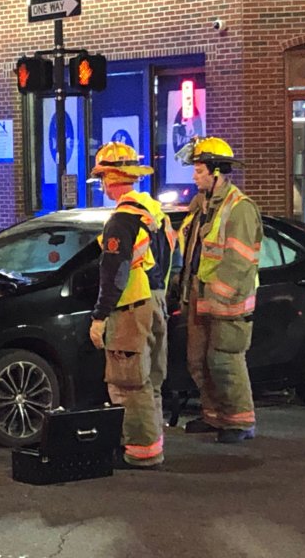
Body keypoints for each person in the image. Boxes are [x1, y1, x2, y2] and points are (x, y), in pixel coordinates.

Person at [88, 142, 176, 470]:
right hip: (155, 302)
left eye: (102, 178)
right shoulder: (153, 212)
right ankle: (151, 446)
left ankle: (140, 452)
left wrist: (99, 316)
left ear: (111, 177)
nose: (102, 185)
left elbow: (115, 272)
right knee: (149, 380)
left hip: (129, 307)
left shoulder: (120, 221)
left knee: (128, 383)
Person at [174, 136, 263, 444]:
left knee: (225, 361)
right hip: (201, 295)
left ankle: (240, 421)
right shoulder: (203, 206)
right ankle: (214, 416)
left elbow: (239, 262)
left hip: (228, 302)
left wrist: (218, 295)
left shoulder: (239, 209)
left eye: (198, 170)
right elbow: (193, 252)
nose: (194, 175)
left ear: (215, 172)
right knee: (198, 360)